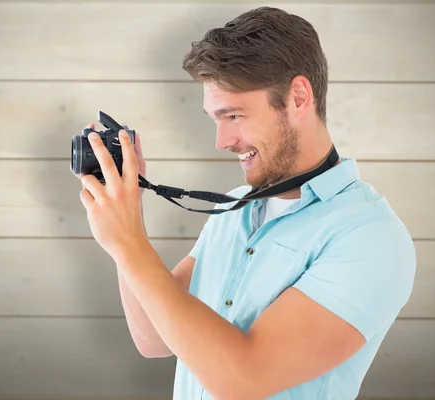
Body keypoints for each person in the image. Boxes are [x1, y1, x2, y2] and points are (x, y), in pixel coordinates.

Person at [73, 6, 416, 400]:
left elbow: (245, 379)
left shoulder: (369, 236)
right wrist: (126, 214)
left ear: (298, 97)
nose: (221, 141)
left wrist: (129, 244)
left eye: (234, 115)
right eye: (215, 119)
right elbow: (154, 338)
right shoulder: (236, 208)